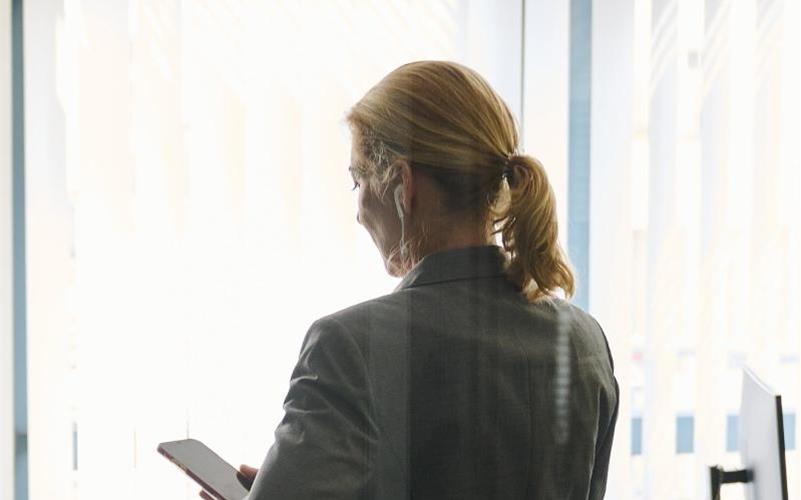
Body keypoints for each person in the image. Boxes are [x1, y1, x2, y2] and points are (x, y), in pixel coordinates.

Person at [202, 60, 618, 499]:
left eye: (357, 180)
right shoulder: (585, 340)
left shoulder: (348, 348)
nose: (357, 210)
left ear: (403, 183)